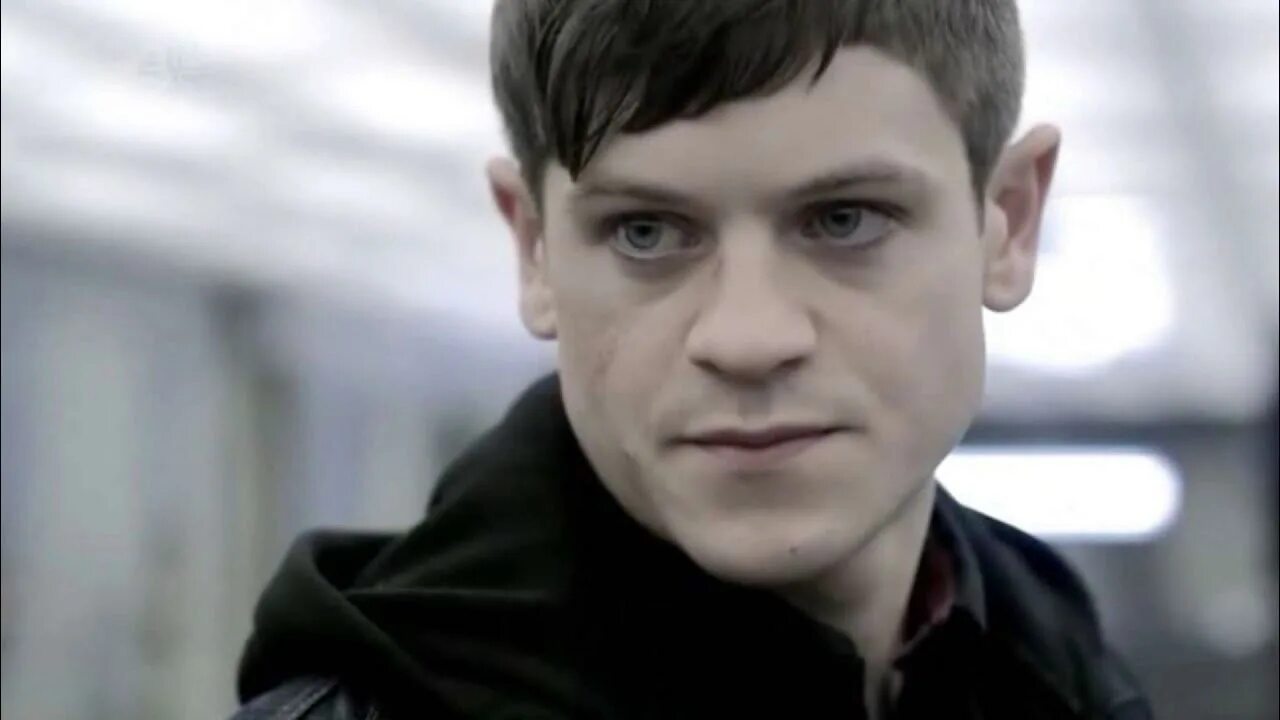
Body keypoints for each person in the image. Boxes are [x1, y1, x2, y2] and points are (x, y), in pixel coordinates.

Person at [232, 1, 1153, 718]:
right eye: (645, 231)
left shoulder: (1061, 669)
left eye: (845, 220)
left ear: (1008, 223)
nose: (747, 339)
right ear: (535, 252)